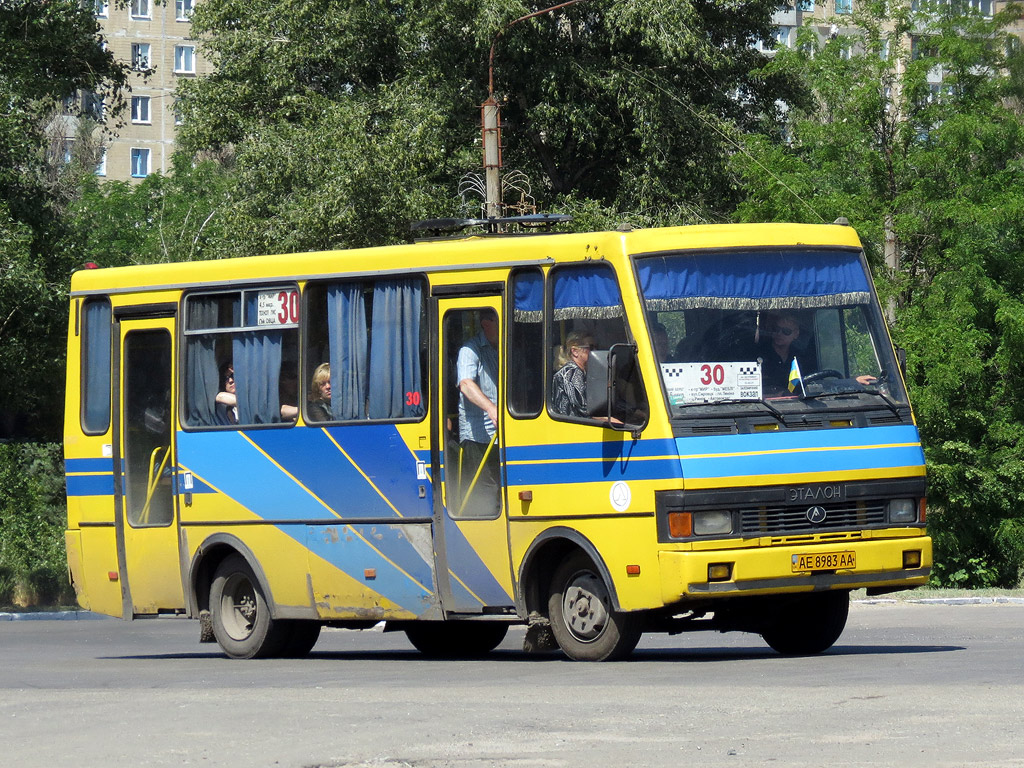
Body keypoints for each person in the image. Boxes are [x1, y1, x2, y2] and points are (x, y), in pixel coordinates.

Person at [456, 309, 500, 516]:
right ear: (485, 323)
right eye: (498, 320)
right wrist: (491, 409)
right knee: (485, 494)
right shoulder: (470, 350)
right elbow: (465, 384)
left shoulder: (501, 348)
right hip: (478, 438)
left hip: (502, 436)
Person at [759, 312, 803, 395]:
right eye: (776, 329)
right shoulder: (759, 354)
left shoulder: (801, 357)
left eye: (786, 331)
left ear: (796, 334)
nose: (779, 334)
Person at [551, 331, 593, 417]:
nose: (595, 351)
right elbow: (585, 409)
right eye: (591, 348)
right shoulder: (571, 372)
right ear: (575, 351)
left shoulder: (581, 371)